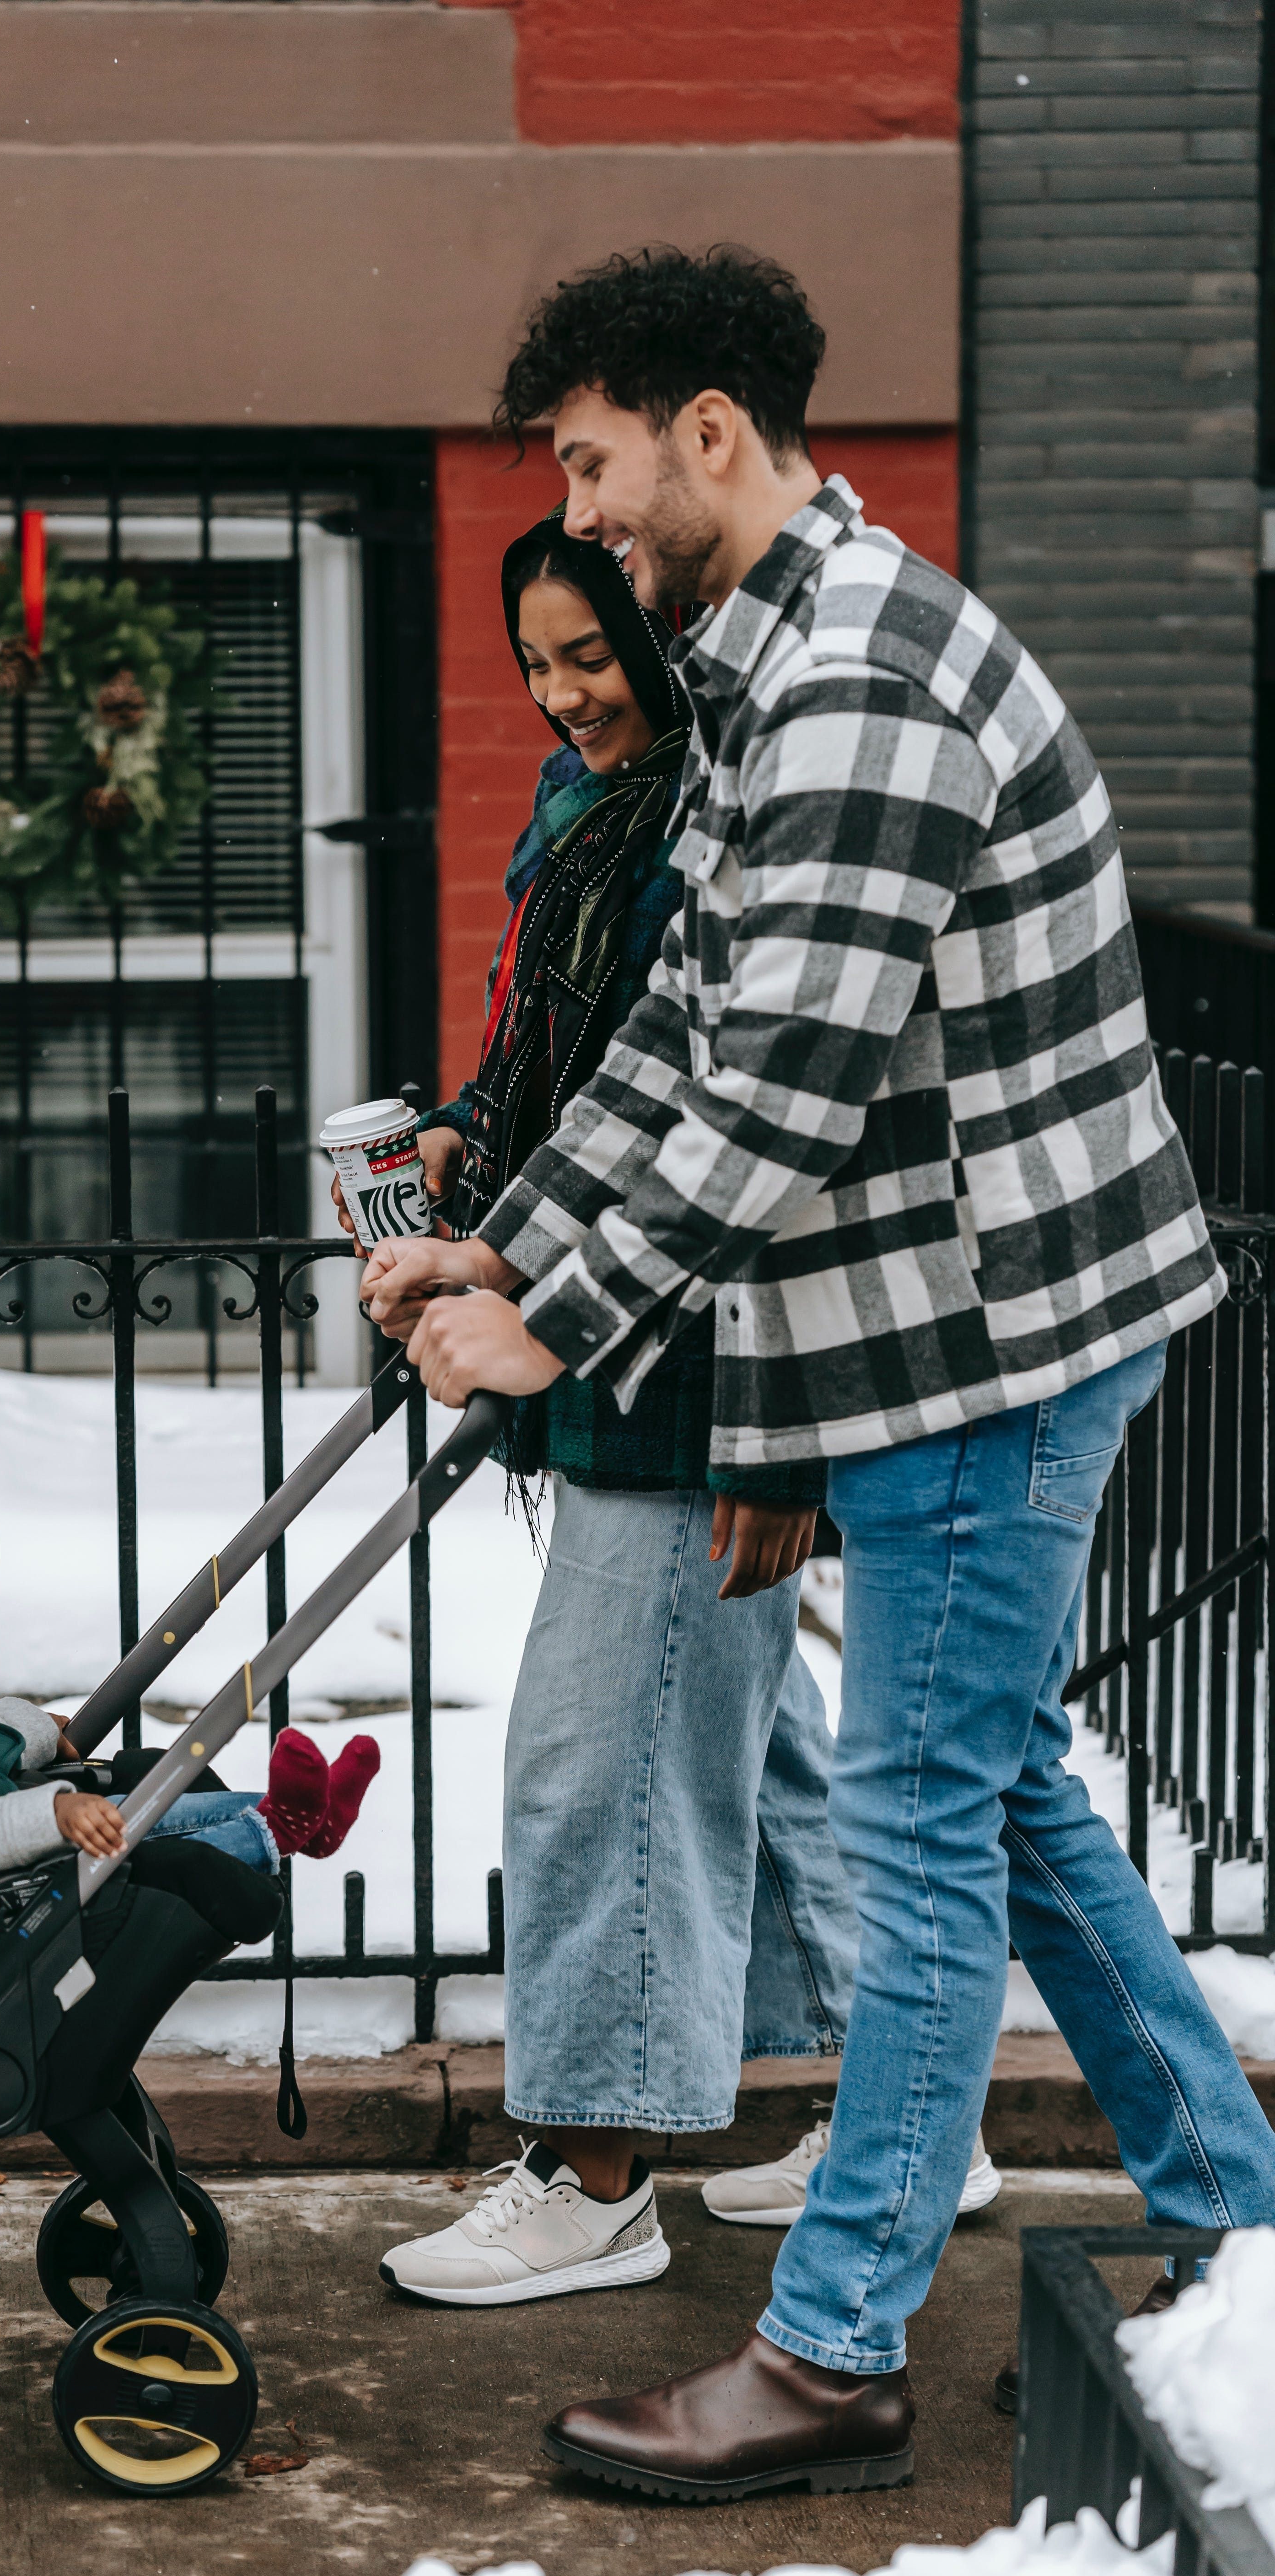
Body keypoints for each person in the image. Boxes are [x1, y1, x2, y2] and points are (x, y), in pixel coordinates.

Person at [364, 242, 1275, 2490]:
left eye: (587, 469)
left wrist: (547, 1321)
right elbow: (678, 1031)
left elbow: (772, 1094)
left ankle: (836, 2342)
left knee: (917, 1810)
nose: (572, 518)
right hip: (935, 1316)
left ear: (704, 435)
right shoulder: (766, 655)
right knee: (1004, 1792)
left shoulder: (858, 680)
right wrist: (510, 1233)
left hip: (982, 1335)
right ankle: (1238, 2211)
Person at [345, 508, 867, 2311]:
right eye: (540, 664)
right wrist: (458, 1161)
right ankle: (894, 2111)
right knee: (750, 1750)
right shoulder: (583, 820)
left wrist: (784, 1420)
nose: (567, 695)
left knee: (601, 1766)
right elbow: (558, 1078)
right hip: (586, 1323)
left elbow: (775, 1144)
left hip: (687, 1370)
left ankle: (595, 2165)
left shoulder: (722, 835)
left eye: (594, 658)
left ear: (663, 651)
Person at [0, 1699, 381, 1878]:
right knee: (120, 1853)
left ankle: (307, 1824)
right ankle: (276, 1831)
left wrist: (26, 1728)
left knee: (123, 1808)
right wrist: (50, 1815)